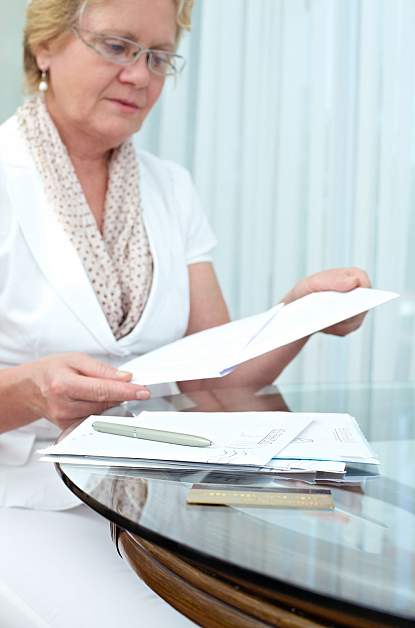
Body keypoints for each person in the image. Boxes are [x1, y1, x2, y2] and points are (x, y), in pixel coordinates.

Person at [0, 0, 371, 625]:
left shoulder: (170, 187)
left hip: (155, 497)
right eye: (117, 46)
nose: (141, 76)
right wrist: (36, 392)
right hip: (23, 499)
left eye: (159, 57)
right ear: (44, 46)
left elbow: (216, 379)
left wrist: (299, 312)